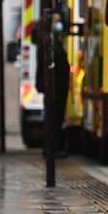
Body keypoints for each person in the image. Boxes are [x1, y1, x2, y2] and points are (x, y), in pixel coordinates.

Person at [34, 13, 70, 156]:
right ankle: (52, 149)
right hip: (55, 86)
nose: (59, 24)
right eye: (57, 21)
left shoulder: (51, 40)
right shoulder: (48, 41)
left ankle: (52, 148)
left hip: (57, 86)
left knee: (54, 117)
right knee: (53, 118)